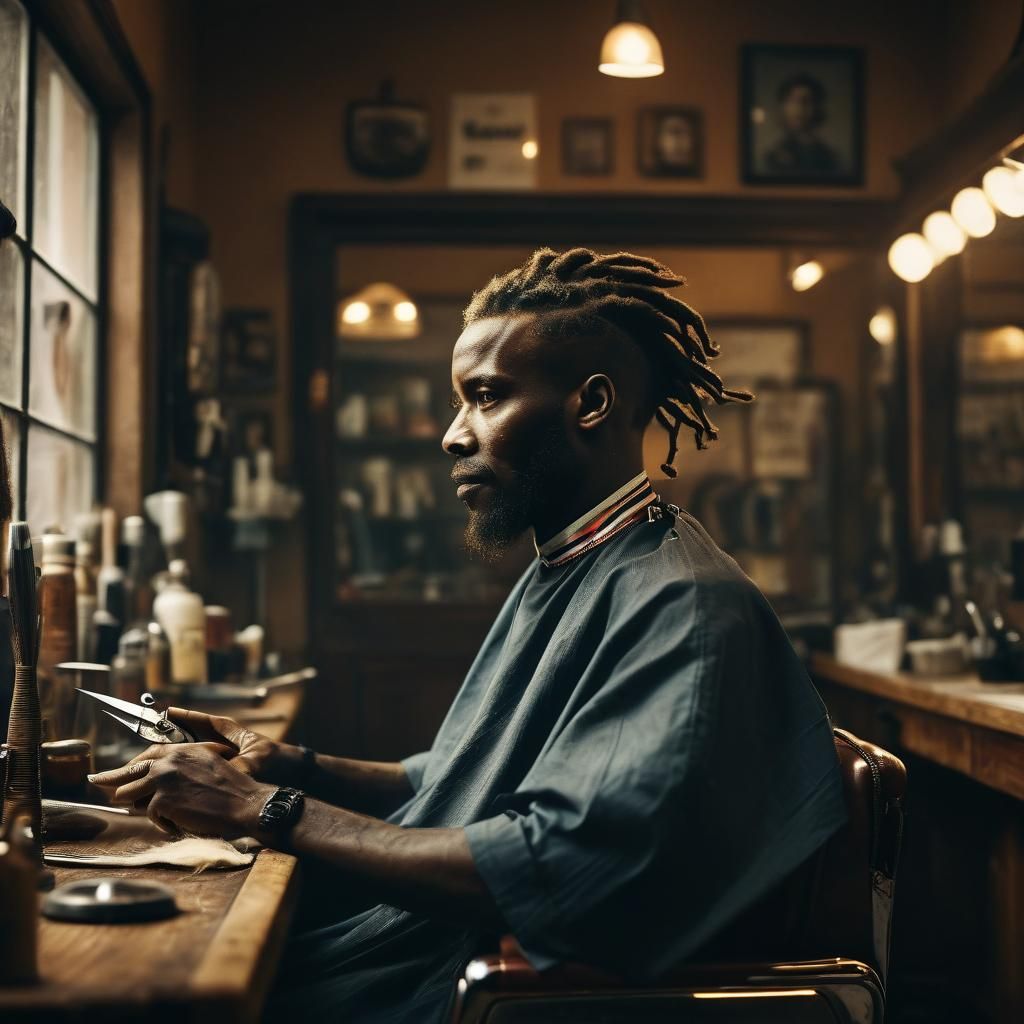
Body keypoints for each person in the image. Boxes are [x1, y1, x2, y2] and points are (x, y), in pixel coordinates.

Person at [90, 248, 846, 1023]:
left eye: (485, 397)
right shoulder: (574, 560)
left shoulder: (684, 604)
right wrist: (294, 762)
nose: (454, 435)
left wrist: (265, 807)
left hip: (480, 992)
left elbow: (551, 862)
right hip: (439, 951)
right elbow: (461, 777)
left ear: (590, 404)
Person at [763, 73, 839, 175]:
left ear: (818, 108)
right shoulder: (773, 156)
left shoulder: (830, 157)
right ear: (782, 107)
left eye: (806, 102)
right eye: (793, 101)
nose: (799, 109)